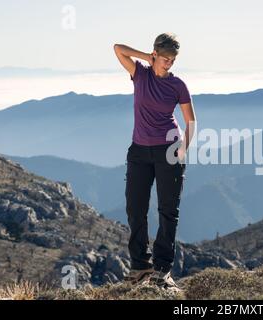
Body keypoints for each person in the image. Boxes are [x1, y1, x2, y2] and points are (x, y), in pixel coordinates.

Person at [114, 32, 196, 288]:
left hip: (168, 151)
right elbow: (118, 48)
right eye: (165, 58)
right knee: (135, 209)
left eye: (173, 58)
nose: (169, 62)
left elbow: (191, 121)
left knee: (167, 211)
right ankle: (140, 265)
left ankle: (162, 269)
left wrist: (183, 148)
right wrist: (145, 58)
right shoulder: (140, 73)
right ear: (156, 55)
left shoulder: (178, 85)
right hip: (138, 152)